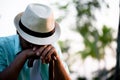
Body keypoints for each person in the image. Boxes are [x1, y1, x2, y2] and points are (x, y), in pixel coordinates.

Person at [0, 3, 71, 80]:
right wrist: (23, 56)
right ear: (18, 32)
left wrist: (56, 60)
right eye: (30, 43)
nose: (35, 48)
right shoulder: (2, 46)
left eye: (41, 43)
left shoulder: (52, 48)